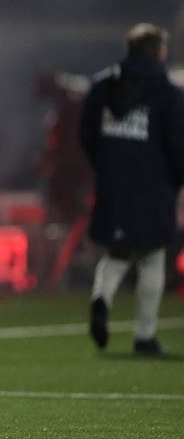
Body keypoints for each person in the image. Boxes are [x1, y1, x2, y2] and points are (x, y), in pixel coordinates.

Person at [79, 23, 184, 356]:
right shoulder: (167, 94)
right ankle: (145, 336)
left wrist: (106, 165)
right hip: (154, 184)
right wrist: (176, 180)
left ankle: (101, 296)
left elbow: (85, 133)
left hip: (113, 180)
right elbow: (177, 144)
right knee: (152, 257)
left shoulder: (103, 86)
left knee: (118, 250)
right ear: (158, 52)